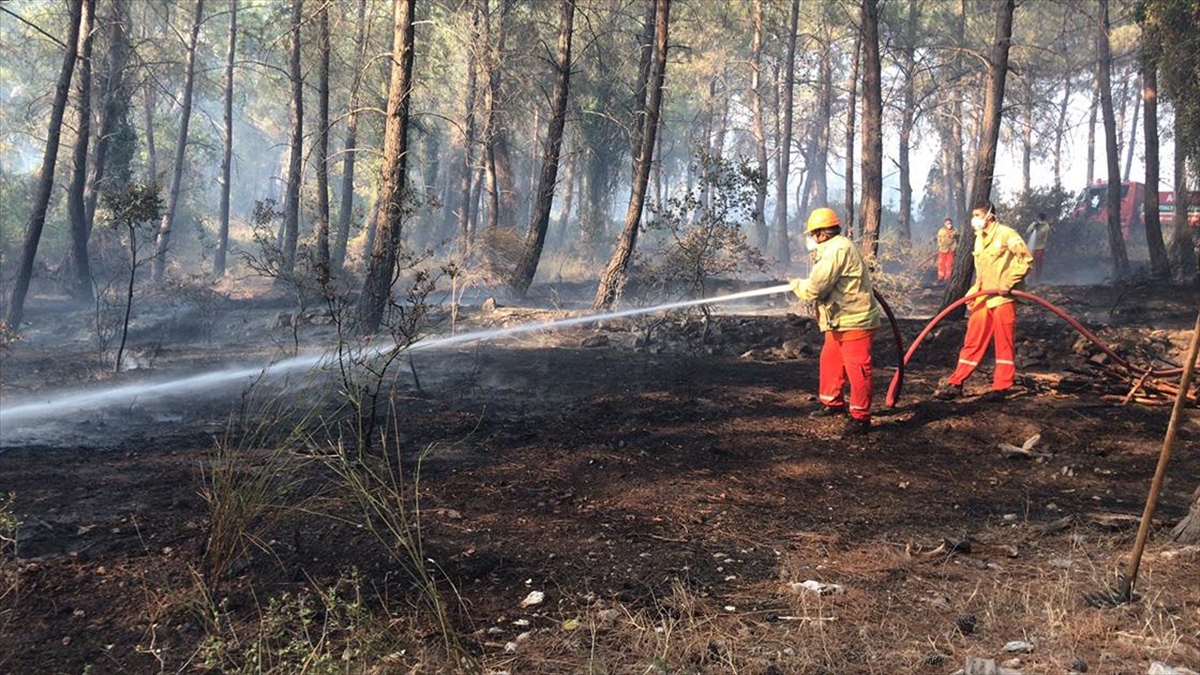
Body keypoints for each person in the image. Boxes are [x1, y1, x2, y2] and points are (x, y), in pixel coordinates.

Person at [789, 207, 882, 433]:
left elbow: (815, 289)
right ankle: (832, 402)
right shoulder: (832, 249)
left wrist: (796, 285)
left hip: (855, 320)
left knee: (857, 368)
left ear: (822, 233)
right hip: (838, 319)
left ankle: (860, 416)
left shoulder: (836, 251)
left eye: (812, 234)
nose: (810, 239)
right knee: (831, 360)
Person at [934, 201, 1033, 402]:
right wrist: (974, 290)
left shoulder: (1007, 234)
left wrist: (1009, 282)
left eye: (978, 215)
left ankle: (1001, 387)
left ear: (990, 215)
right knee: (972, 339)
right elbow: (982, 271)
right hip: (983, 295)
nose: (975, 220)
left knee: (1004, 341)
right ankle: (956, 382)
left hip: (1003, 298)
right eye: (974, 216)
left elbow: (1026, 260)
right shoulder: (979, 238)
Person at [1026, 213, 1052, 282]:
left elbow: (1048, 234)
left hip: (1040, 247)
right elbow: (1028, 231)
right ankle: (1029, 278)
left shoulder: (1046, 226)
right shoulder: (1034, 224)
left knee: (1038, 264)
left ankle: (1037, 279)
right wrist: (1034, 226)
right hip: (1032, 247)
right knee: (1030, 263)